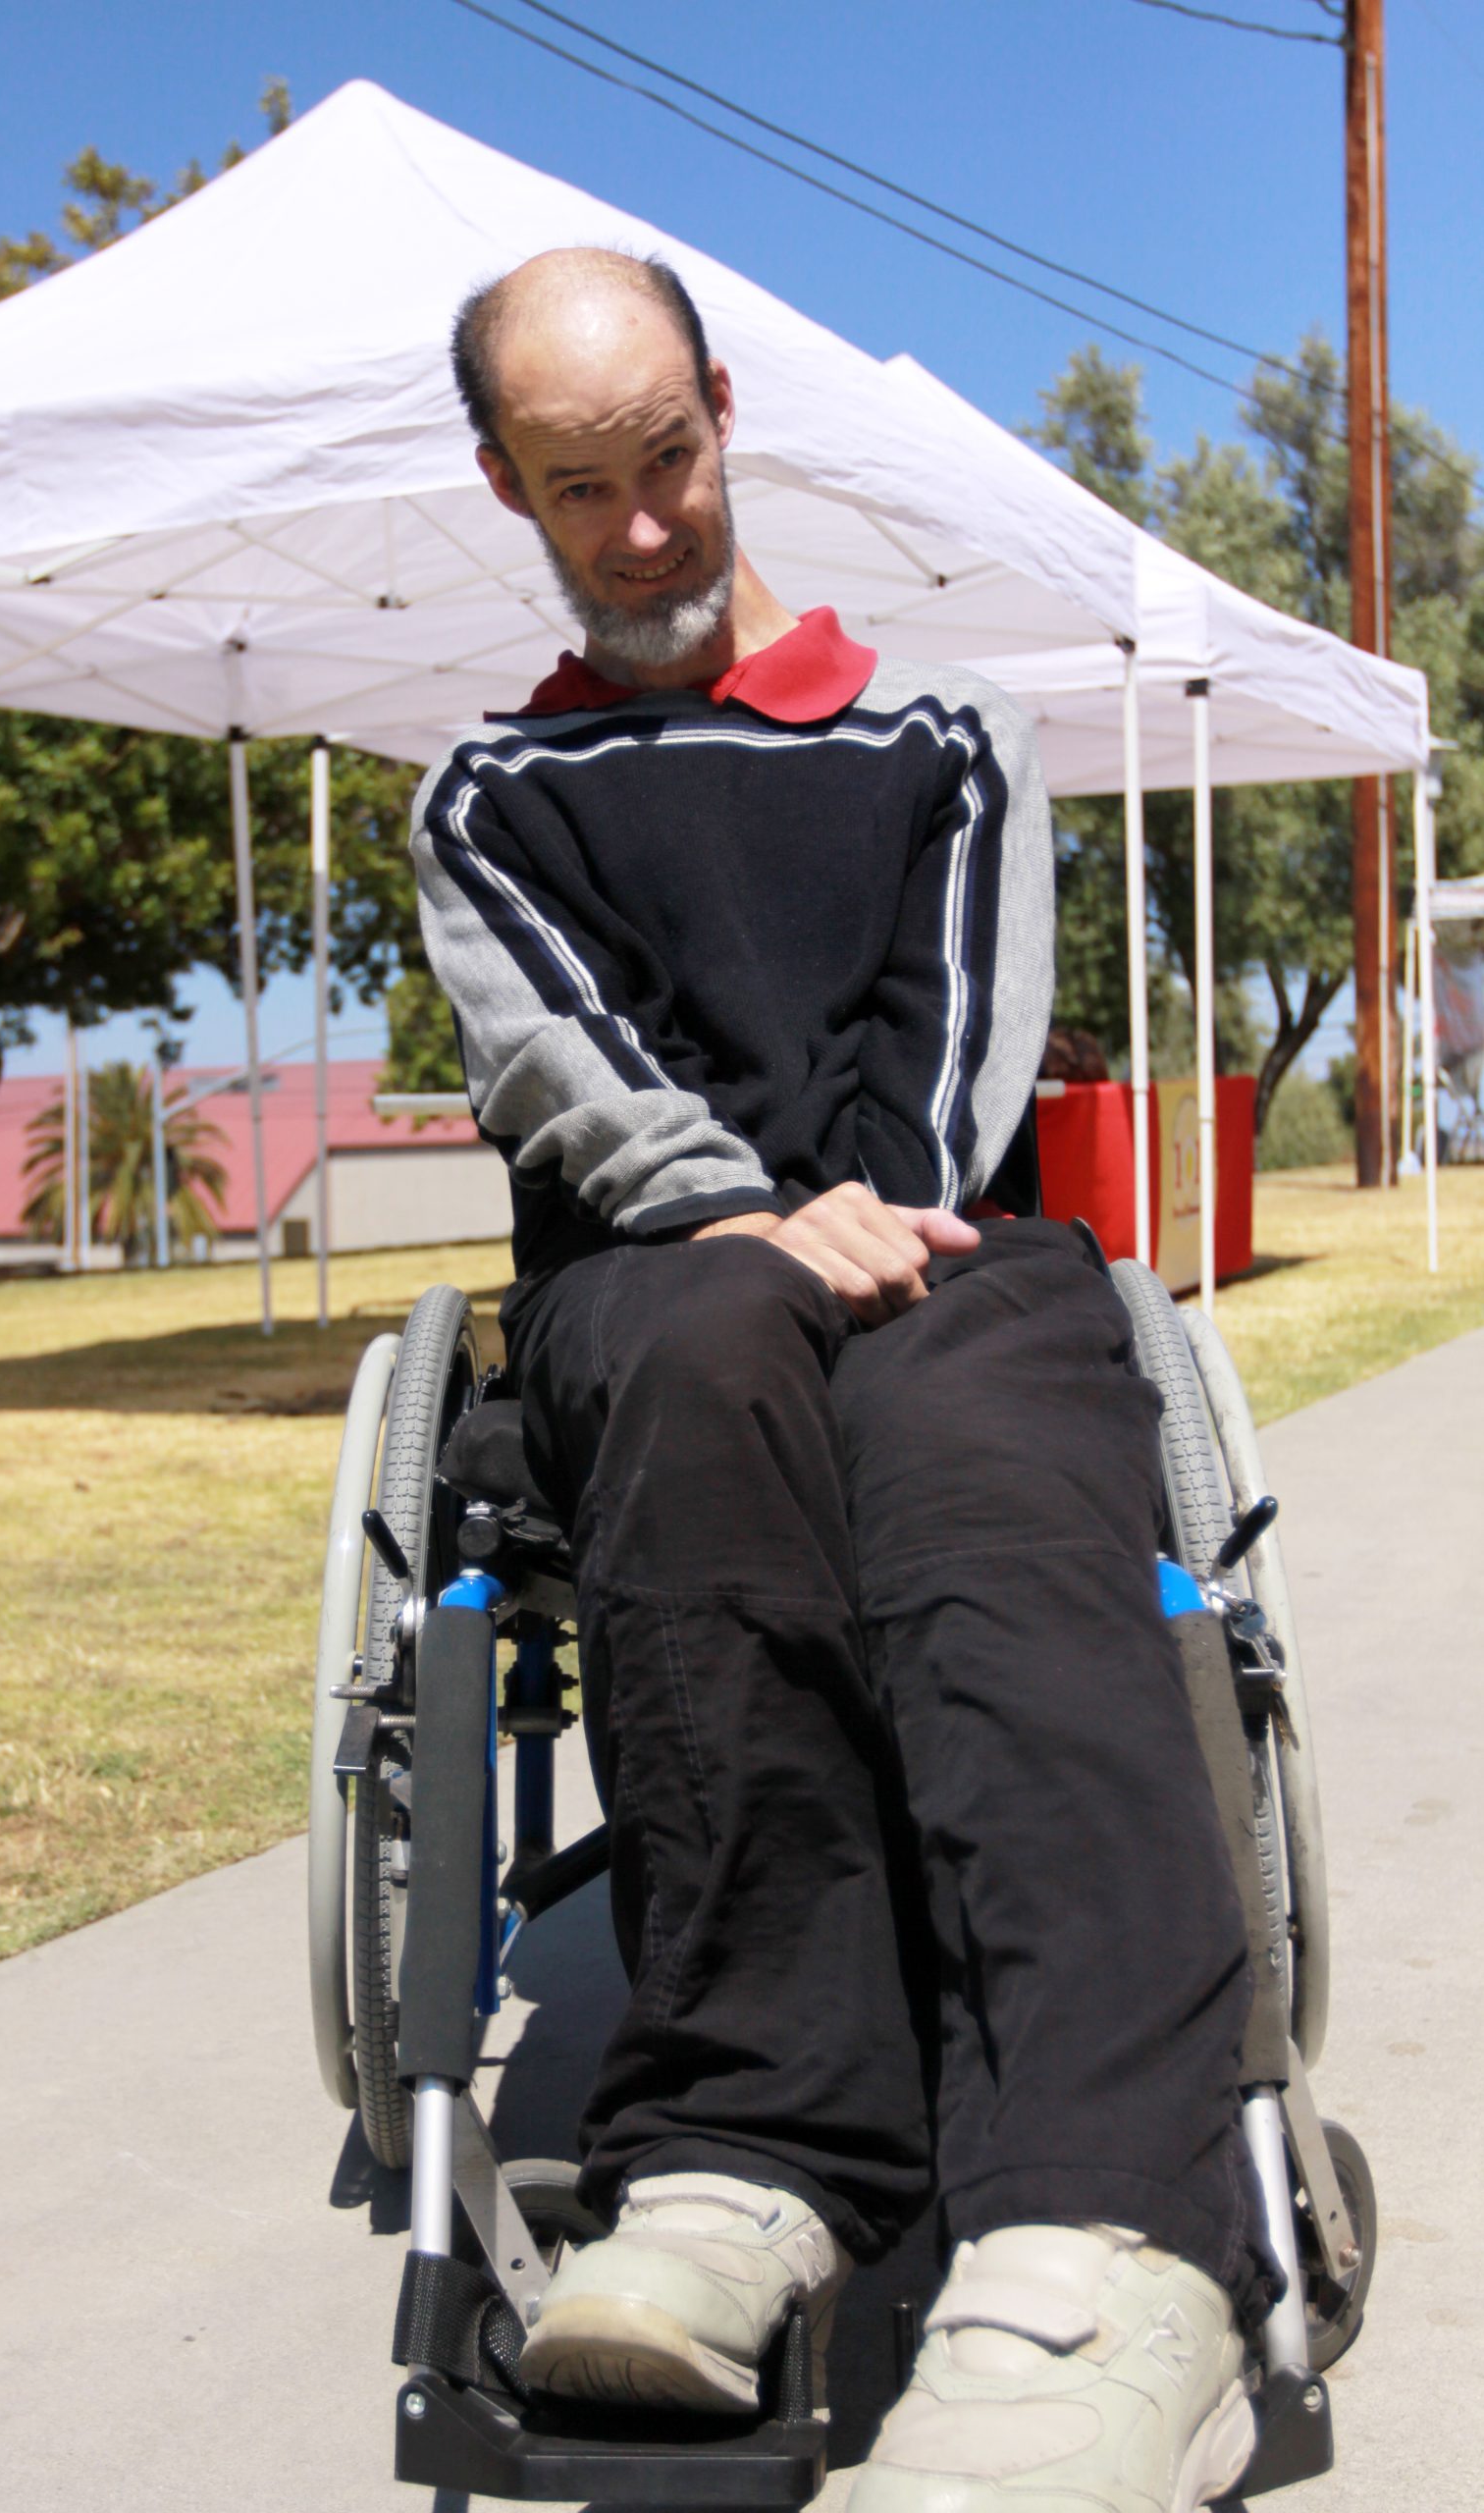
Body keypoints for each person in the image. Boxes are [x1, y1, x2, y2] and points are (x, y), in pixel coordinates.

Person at [411, 246, 1272, 2513]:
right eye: (576, 489)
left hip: (934, 1236)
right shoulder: (485, 794)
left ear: (721, 406)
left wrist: (859, 1210)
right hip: (659, 1273)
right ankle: (741, 2148)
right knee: (693, 1349)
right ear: (503, 482)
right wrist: (735, 1214)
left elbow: (962, 1033)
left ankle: (1107, 2240)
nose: (640, 530)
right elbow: (561, 1073)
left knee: (982, 1428)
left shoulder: (938, 729)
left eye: (666, 462)